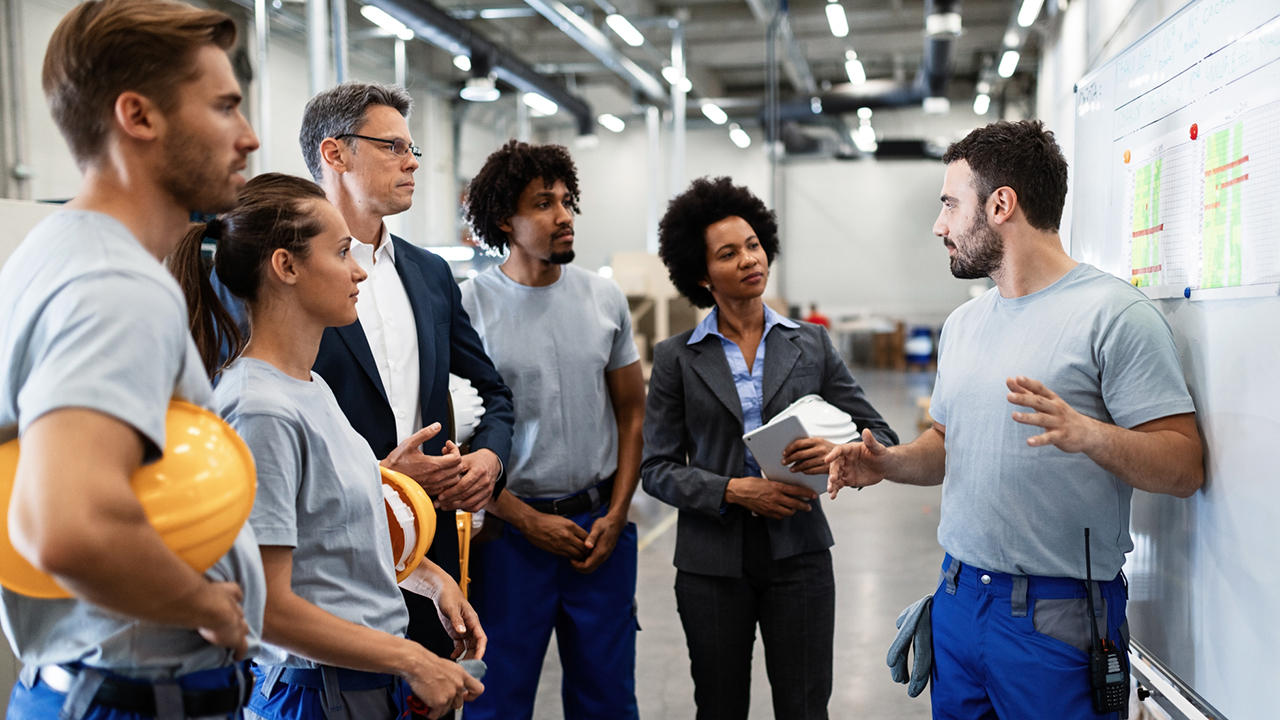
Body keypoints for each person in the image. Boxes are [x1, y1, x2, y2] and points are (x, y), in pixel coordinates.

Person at [825, 120, 1204, 720]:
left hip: (1058, 618)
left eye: (950, 204)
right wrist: (888, 463)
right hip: (956, 601)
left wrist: (1091, 435)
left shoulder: (1114, 316)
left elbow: (1184, 465)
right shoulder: (964, 325)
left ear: (1001, 204)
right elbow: (947, 442)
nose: (939, 225)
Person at [0, 0, 264, 717]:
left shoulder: (50, 254)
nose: (249, 137)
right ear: (139, 118)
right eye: (224, 108)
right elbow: (68, 525)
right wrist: (204, 602)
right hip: (128, 696)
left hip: (80, 682)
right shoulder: (117, 285)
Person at [171, 173, 485, 720]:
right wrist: (413, 659)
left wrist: (431, 581)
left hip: (356, 681)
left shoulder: (310, 387)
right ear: (286, 267)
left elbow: (333, 537)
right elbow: (264, 605)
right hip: (315, 690)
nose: (359, 270)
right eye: (342, 252)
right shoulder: (260, 409)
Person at [640, 176, 898, 720]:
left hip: (799, 553)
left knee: (805, 707)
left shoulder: (811, 344)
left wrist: (837, 454)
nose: (749, 260)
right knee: (719, 705)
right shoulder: (676, 359)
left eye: (753, 245)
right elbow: (657, 469)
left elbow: (880, 435)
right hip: (711, 562)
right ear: (701, 274)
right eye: (728, 254)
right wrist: (734, 490)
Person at [294, 82, 515, 683]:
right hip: (330, 556)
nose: (413, 161)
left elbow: (494, 392)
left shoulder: (429, 273)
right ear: (335, 154)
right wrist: (384, 479)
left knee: (437, 693)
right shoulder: (286, 273)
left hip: (432, 545)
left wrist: (489, 460)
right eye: (392, 147)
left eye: (411, 147)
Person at [458, 141, 646, 720]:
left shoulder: (604, 298)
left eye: (566, 200)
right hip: (510, 538)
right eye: (543, 204)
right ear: (504, 221)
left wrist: (616, 514)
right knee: (499, 699)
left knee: (608, 699)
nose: (563, 215)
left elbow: (632, 413)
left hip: (599, 533)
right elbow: (460, 435)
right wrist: (526, 519)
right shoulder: (469, 306)